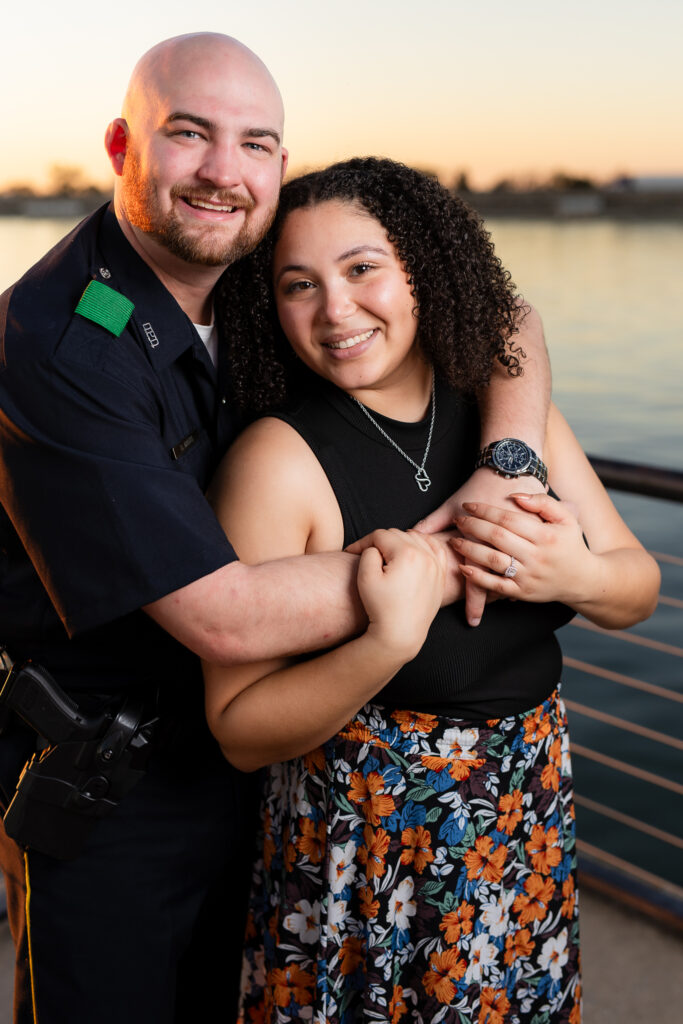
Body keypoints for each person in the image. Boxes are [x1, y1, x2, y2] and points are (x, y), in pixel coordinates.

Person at [0, 33, 554, 1024]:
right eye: (188, 134)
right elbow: (228, 618)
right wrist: (462, 545)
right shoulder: (57, 344)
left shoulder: (261, 276)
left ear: (280, 165)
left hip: (268, 770)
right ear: (123, 146)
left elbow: (500, 312)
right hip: (112, 801)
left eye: (253, 142)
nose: (223, 171)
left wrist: (505, 461)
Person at [203, 158, 661, 1023]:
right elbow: (236, 730)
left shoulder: (508, 420)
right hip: (368, 852)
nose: (334, 309)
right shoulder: (276, 460)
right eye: (299, 284)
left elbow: (635, 588)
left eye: (362, 268)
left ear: (424, 267)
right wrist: (384, 644)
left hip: (525, 815)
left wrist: (575, 575)